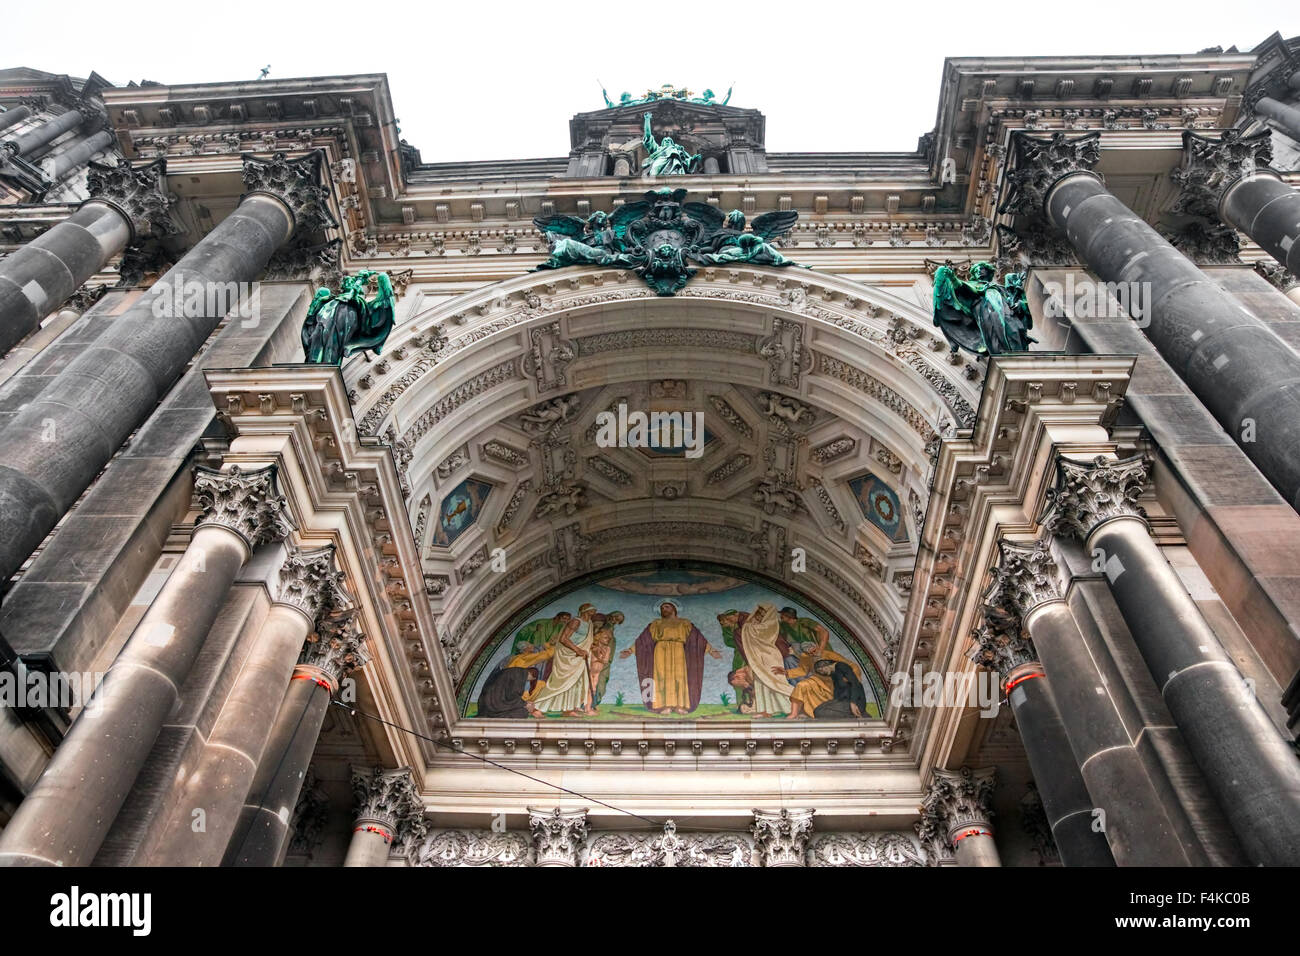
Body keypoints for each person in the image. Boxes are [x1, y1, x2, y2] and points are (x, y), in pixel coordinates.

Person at [620, 601, 720, 714]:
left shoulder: (684, 623)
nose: (664, 609)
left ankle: (679, 706)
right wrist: (630, 650)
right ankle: (664, 706)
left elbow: (697, 638)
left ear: (674, 609)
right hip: (660, 650)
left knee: (680, 677)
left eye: (667, 607)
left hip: (678, 649)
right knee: (661, 677)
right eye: (662, 608)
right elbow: (643, 640)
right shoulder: (656, 623)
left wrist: (711, 650)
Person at [529, 603, 599, 716]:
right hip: (568, 655)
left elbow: (587, 640)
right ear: (584, 610)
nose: (594, 613)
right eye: (591, 610)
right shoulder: (576, 621)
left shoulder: (589, 623)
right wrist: (578, 650)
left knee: (576, 682)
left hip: (580, 656)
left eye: (594, 611)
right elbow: (563, 639)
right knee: (560, 682)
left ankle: (568, 709)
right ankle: (538, 708)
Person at [740, 603, 794, 717]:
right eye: (758, 612)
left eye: (762, 613)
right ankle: (766, 711)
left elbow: (757, 631)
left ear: (769, 614)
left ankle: (788, 707)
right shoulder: (756, 624)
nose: (759, 615)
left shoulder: (771, 623)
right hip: (758, 656)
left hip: (770, 656)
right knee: (761, 682)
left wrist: (748, 626)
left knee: (774, 681)